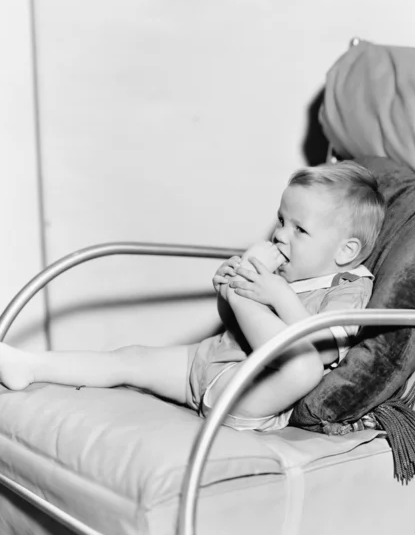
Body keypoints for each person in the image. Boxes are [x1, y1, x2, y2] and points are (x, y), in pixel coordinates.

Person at [0, 161, 386, 432]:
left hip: (249, 396)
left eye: (300, 230)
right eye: (282, 220)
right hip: (209, 365)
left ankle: (33, 365)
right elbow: (235, 327)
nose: (280, 235)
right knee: (131, 358)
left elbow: (313, 348)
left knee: (304, 366)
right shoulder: (280, 273)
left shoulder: (349, 286)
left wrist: (260, 292)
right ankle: (30, 365)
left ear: (345, 252)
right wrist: (231, 293)